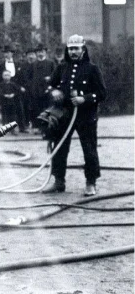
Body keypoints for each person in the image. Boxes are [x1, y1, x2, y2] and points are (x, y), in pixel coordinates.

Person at [42, 34, 106, 196]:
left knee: (89, 149)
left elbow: (102, 93)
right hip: (64, 115)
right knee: (59, 147)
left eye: (76, 48)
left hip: (86, 117)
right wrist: (54, 90)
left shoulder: (92, 69)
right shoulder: (62, 68)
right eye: (70, 49)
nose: (73, 52)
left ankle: (91, 183)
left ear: (83, 50)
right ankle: (59, 181)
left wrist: (84, 98)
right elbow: (49, 86)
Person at [30, 44, 56, 129]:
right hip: (36, 90)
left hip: (47, 89)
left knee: (47, 108)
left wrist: (50, 78)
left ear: (45, 52)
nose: (40, 53)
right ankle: (37, 127)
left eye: (42, 51)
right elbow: (30, 77)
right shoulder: (33, 64)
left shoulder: (51, 63)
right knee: (36, 109)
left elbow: (56, 75)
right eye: (38, 52)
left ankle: (47, 126)